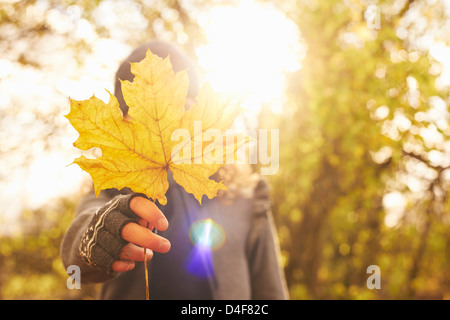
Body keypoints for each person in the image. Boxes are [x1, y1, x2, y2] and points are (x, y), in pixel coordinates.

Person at [60, 40, 289, 300]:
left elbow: (271, 290)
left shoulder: (245, 195)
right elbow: (76, 261)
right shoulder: (112, 191)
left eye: (184, 111)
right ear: (125, 126)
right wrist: (103, 231)